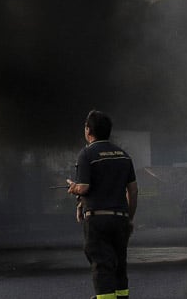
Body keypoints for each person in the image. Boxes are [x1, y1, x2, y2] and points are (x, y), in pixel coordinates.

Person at [66, 110, 138, 299]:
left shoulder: (87, 154)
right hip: (120, 219)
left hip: (98, 220)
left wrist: (73, 188)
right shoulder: (124, 155)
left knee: (102, 265)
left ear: (89, 130)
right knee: (119, 265)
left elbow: (84, 187)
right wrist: (128, 218)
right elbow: (133, 190)